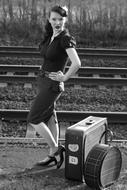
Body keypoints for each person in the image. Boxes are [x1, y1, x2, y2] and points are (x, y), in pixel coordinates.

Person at [26, 5, 81, 169]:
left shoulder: (65, 38)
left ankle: (56, 149)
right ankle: (52, 155)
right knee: (50, 116)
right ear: (49, 20)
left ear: (65, 20)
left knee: (33, 119)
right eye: (54, 19)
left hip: (52, 85)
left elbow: (77, 63)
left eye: (61, 19)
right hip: (43, 81)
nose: (58, 22)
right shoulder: (51, 36)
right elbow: (49, 57)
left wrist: (64, 77)